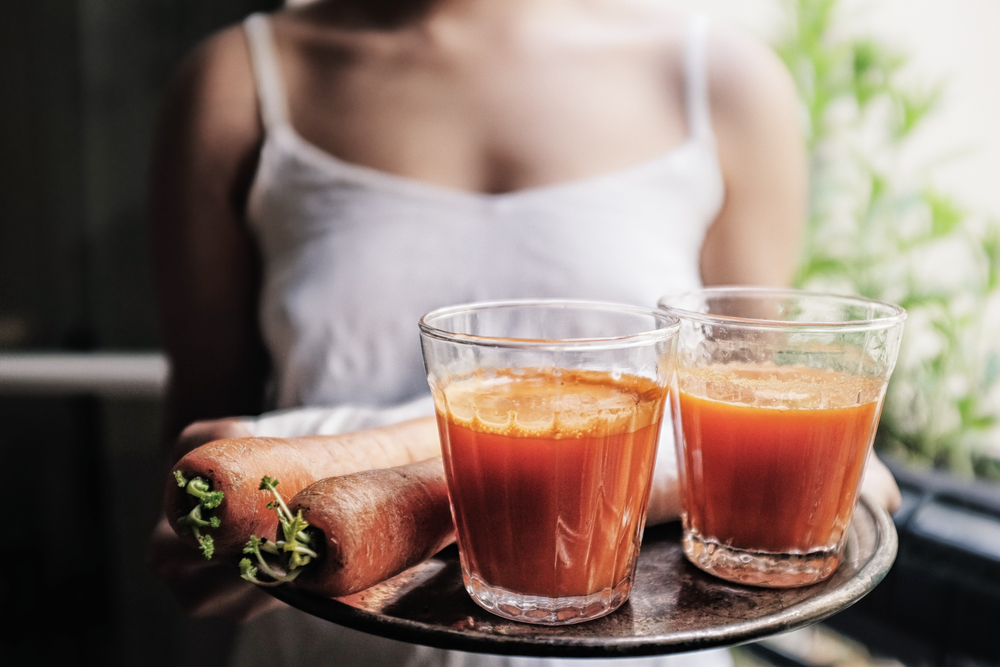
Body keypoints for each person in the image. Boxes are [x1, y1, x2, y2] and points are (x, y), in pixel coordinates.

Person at [147, 0, 901, 664]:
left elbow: (742, 446)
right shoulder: (236, 82)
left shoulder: (727, 81)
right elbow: (207, 446)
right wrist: (207, 548)